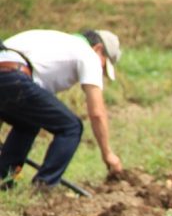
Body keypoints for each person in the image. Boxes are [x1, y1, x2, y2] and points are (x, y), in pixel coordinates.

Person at [0, 29, 123, 191]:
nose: (100, 72)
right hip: (15, 77)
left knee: (28, 123)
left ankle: (4, 179)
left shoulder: (53, 42)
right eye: (103, 65)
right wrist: (108, 154)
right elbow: (97, 113)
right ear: (98, 49)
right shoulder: (87, 54)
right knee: (71, 126)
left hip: (10, 76)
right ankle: (44, 186)